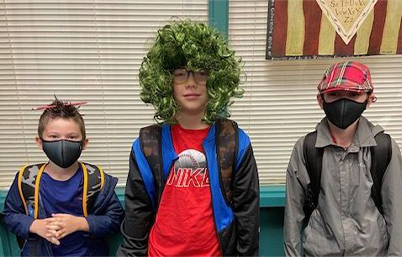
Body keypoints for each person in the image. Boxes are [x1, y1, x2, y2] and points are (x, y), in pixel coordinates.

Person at [117, 20, 260, 257]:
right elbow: (136, 216)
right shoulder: (147, 145)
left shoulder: (234, 141)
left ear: (216, 79)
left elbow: (247, 215)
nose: (191, 82)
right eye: (180, 74)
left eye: (201, 73)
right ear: (165, 81)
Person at [283, 61, 402, 256]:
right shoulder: (306, 149)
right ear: (321, 100)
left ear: (369, 99)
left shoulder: (384, 149)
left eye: (354, 95)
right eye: (335, 94)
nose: (343, 103)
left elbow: (397, 217)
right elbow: (292, 218)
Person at [3, 98, 124, 256]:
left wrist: (81, 223)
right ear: (40, 142)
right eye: (54, 137)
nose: (62, 143)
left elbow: (115, 218)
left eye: (71, 137)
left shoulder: (97, 179)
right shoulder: (26, 179)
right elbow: (10, 214)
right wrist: (34, 225)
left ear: (84, 143)